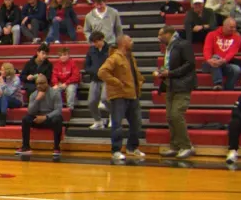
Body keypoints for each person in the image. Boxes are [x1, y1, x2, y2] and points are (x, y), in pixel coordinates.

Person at [97, 34, 145, 163]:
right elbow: (102, 72)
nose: (132, 42)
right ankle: (116, 151)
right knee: (117, 124)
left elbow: (135, 73)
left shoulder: (131, 57)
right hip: (119, 96)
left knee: (136, 123)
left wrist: (140, 81)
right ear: (123, 43)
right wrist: (116, 82)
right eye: (130, 40)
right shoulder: (114, 57)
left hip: (133, 94)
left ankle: (132, 147)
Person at [155, 25, 196, 158]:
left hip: (182, 85)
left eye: (160, 35)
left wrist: (171, 73)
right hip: (170, 85)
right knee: (170, 117)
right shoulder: (169, 47)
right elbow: (170, 65)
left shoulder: (183, 44)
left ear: (169, 34)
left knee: (176, 115)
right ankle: (175, 146)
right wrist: (163, 72)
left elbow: (190, 64)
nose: (159, 38)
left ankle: (187, 146)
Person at [16, 74, 64, 159]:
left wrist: (46, 117)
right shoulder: (33, 95)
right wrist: (37, 100)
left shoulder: (55, 93)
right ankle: (25, 146)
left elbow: (58, 110)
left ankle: (57, 147)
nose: (39, 86)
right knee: (25, 119)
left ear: (47, 83)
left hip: (49, 119)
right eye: (37, 84)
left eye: (41, 83)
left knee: (58, 119)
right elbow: (30, 111)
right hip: (37, 118)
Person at [203, 18, 241, 90]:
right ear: (224, 26)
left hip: (225, 63)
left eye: (235, 27)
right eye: (231, 27)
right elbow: (207, 49)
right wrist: (209, 60)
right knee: (215, 56)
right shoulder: (211, 34)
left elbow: (232, 52)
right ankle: (218, 83)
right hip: (210, 63)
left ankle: (229, 88)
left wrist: (224, 60)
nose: (234, 29)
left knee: (236, 69)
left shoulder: (237, 37)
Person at [84, 33, 111, 131]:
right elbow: (86, 65)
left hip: (107, 79)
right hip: (95, 78)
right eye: (93, 42)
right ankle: (98, 121)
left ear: (102, 39)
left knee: (105, 99)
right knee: (91, 102)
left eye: (96, 42)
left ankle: (113, 115)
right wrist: (92, 71)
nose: (95, 44)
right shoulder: (91, 50)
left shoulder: (110, 50)